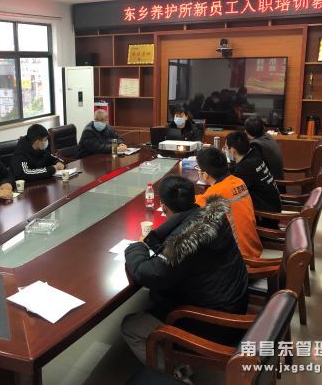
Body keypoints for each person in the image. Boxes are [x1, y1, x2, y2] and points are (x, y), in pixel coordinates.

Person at [121, 175, 248, 367]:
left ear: (163, 207)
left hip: (218, 323)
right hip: (235, 301)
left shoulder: (184, 242)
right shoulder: (213, 215)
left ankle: (176, 373)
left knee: (131, 326)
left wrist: (136, 247)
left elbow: (147, 273)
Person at [195, 147, 263, 258]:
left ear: (205, 174)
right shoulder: (238, 181)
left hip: (239, 258)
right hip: (254, 248)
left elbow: (193, 204)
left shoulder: (215, 192)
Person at [226, 131, 282, 226]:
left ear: (232, 150)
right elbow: (237, 169)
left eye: (226, 147)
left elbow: (229, 189)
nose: (226, 150)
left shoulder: (245, 167)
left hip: (266, 217)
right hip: (273, 205)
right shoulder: (254, 154)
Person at [244, 116, 284, 181]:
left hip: (272, 182)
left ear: (246, 132)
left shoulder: (255, 145)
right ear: (263, 127)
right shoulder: (267, 136)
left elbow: (249, 166)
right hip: (276, 178)